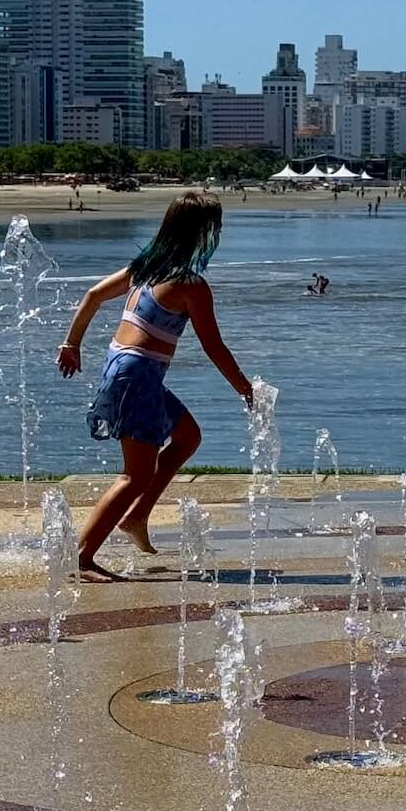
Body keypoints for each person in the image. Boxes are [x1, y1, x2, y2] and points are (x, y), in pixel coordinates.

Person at [57, 193, 254, 581]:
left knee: (187, 437)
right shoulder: (190, 285)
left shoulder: (145, 269)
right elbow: (213, 346)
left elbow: (93, 296)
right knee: (136, 475)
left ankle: (137, 516)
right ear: (203, 235)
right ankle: (80, 558)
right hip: (139, 376)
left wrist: (72, 344)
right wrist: (245, 389)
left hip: (123, 369)